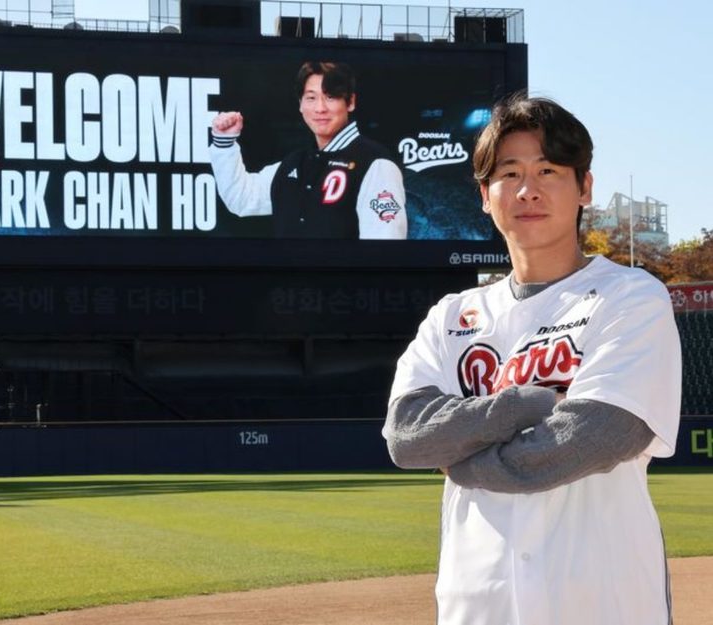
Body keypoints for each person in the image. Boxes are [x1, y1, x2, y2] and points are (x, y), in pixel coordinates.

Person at [382, 94, 681, 625]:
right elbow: (407, 436)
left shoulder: (630, 296)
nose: (528, 190)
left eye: (548, 170)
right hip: (479, 604)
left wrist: (464, 459)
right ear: (484, 195)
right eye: (510, 173)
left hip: (604, 603)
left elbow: (598, 435)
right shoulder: (451, 316)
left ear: (584, 187)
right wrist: (528, 404)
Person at [209, 61, 407, 239]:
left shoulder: (376, 164)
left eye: (331, 97)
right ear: (300, 104)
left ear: (350, 102)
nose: (320, 108)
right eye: (311, 98)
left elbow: (384, 246)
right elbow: (242, 198)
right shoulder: (294, 163)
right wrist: (224, 142)